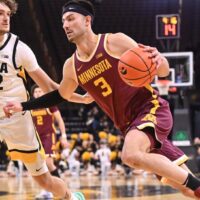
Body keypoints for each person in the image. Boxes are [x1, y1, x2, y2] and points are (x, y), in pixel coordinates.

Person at [3, 0, 200, 198]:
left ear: (87, 20)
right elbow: (59, 95)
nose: (65, 25)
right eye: (63, 21)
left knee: (130, 155)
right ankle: (194, 186)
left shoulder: (114, 42)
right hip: (129, 126)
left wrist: (160, 60)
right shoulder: (72, 66)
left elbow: (162, 70)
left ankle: (196, 183)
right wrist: (23, 105)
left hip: (150, 109)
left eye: (71, 19)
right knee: (184, 189)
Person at [0, 1, 93, 199]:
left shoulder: (19, 48)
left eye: (8, 14)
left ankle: (69, 196)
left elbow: (50, 87)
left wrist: (81, 99)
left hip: (16, 119)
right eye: (0, 13)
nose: (6, 18)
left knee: (44, 180)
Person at [31, 84, 67, 199]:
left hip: (48, 135)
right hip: (36, 138)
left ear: (43, 93)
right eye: (36, 92)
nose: (38, 93)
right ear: (33, 94)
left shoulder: (50, 104)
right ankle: (48, 190)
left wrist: (64, 136)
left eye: (40, 91)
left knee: (48, 163)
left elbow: (60, 120)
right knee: (41, 165)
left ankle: (61, 188)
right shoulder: (31, 107)